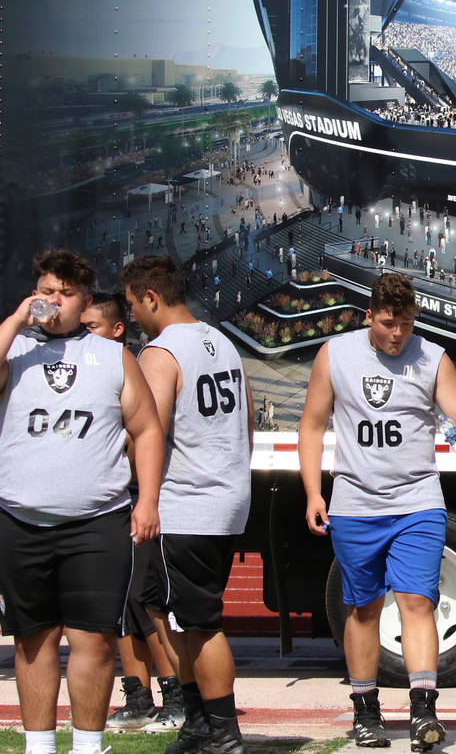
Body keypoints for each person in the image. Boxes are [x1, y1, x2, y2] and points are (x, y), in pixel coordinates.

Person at [299, 273, 456, 751]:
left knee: (418, 602)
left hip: (417, 502)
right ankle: (366, 712)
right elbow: (312, 425)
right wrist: (314, 494)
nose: (398, 333)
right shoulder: (335, 355)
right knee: (363, 610)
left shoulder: (433, 357)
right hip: (355, 505)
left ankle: (424, 711)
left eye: (406, 323)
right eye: (387, 324)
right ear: (368, 318)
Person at [0, 250, 163, 754]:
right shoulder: (15, 349)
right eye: (47, 291)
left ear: (84, 301)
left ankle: (89, 746)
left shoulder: (113, 356)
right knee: (33, 640)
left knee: (92, 639)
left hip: (96, 521)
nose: (55, 301)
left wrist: (149, 500)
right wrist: (14, 319)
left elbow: (147, 428)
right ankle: (40, 747)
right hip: (20, 518)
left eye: (66, 294)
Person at [122, 256, 254, 754]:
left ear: (151, 297)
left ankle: (224, 731)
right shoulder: (221, 340)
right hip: (222, 496)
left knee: (199, 624)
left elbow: (146, 431)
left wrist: (140, 492)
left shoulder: (160, 352)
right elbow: (245, 425)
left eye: (134, 304)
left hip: (187, 501)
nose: (134, 314)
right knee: (168, 611)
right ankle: (199, 721)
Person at [81, 294, 184, 734]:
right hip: (105, 503)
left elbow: (142, 432)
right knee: (118, 607)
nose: (83, 337)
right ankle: (138, 696)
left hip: (136, 497)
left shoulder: (135, 365)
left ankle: (176, 694)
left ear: (117, 329)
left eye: (92, 327)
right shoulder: (85, 371)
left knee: (148, 604)